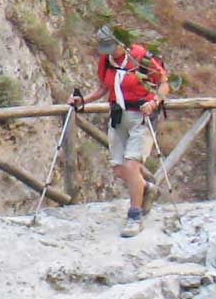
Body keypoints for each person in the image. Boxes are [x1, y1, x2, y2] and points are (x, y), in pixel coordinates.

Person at [72, 27, 169, 238]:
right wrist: (83, 101)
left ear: (121, 42)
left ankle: (135, 216)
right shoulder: (106, 61)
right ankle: (147, 189)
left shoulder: (141, 57)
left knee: (131, 165)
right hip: (118, 117)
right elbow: (102, 88)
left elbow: (163, 83)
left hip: (141, 117)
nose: (109, 52)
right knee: (119, 169)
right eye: (105, 48)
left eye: (111, 47)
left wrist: (154, 102)